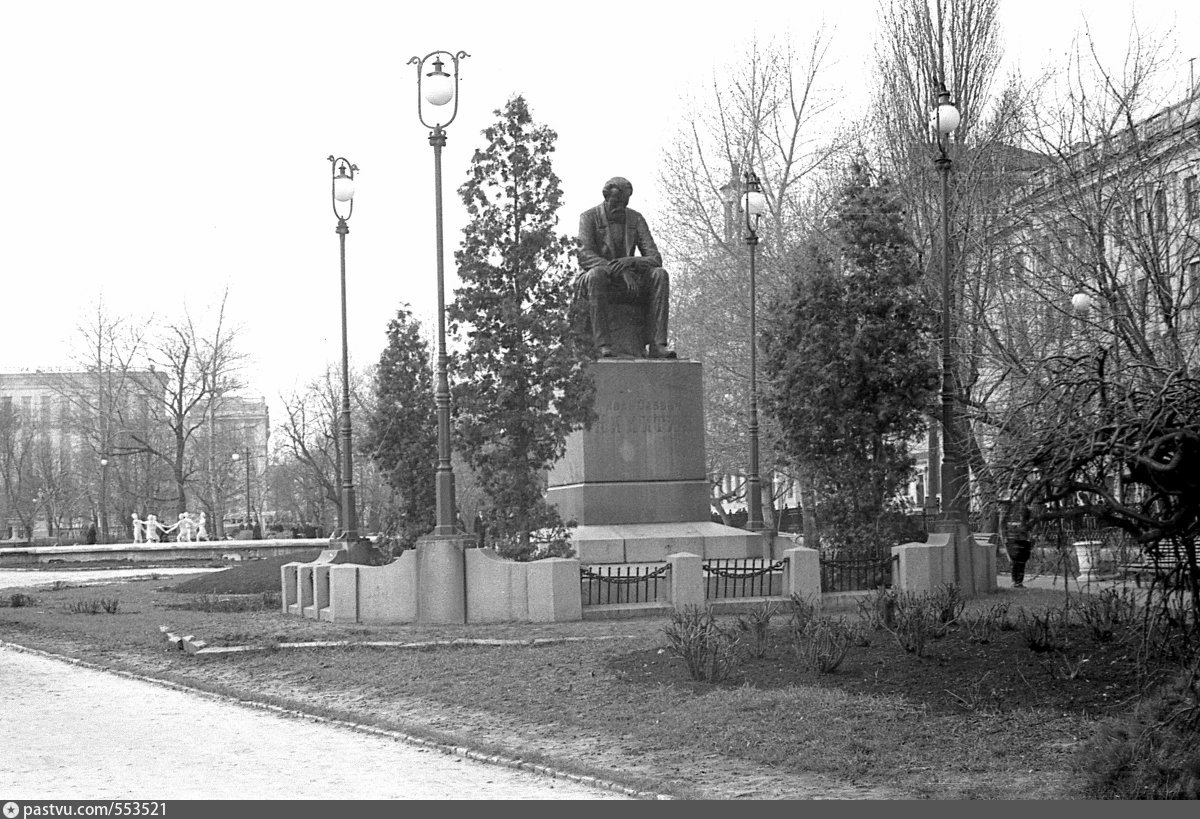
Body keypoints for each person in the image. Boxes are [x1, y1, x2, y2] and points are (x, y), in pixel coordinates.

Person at [574, 176, 675, 359]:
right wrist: (619, 271)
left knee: (660, 275)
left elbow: (654, 258)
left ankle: (657, 344)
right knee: (596, 275)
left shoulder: (635, 219)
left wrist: (629, 262)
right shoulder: (588, 218)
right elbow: (585, 256)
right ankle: (602, 344)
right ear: (606, 198)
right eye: (616, 202)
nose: (620, 207)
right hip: (598, 278)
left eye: (624, 202)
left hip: (630, 280)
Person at [1001, 497, 1034, 588]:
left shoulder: (1027, 508)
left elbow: (1031, 522)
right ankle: (1015, 581)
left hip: (1023, 537)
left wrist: (1030, 534)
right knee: (1015, 560)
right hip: (1012, 537)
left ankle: (1019, 582)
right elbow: (1002, 524)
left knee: (1022, 560)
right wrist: (1004, 537)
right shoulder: (1008, 507)